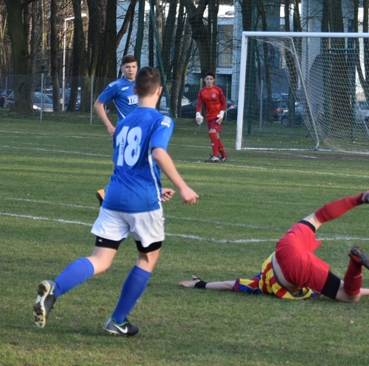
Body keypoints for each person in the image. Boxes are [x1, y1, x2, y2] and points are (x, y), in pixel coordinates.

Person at [33, 67, 199, 336]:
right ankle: (117, 321)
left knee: (100, 258)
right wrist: (183, 187)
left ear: (134, 91)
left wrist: (157, 189)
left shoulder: (123, 123)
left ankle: (55, 287)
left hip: (114, 197)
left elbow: (122, 164)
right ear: (159, 91)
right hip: (141, 201)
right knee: (147, 258)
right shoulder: (162, 121)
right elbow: (157, 153)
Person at [179, 187, 369, 302]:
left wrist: (200, 284)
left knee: (349, 296)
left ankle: (355, 261)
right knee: (318, 217)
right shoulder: (260, 279)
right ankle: (358, 198)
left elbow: (228, 285)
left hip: (295, 263)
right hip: (285, 246)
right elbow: (228, 283)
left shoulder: (260, 285)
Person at [94, 55, 139, 204]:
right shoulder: (117, 86)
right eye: (127, 67)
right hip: (124, 133)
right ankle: (108, 194)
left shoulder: (142, 85)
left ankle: (108, 194)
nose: (130, 70)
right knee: (121, 166)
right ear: (122, 69)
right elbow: (98, 104)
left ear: (137, 67)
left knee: (135, 166)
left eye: (133, 67)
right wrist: (109, 125)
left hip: (140, 133)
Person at [196, 72, 228, 163]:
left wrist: (222, 113)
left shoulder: (218, 90)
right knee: (216, 136)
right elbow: (198, 104)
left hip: (217, 116)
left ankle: (215, 156)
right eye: (207, 79)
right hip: (209, 116)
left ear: (213, 80)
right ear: (205, 80)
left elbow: (224, 102)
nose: (209, 81)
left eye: (211, 79)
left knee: (212, 133)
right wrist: (198, 114)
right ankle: (224, 155)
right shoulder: (202, 92)